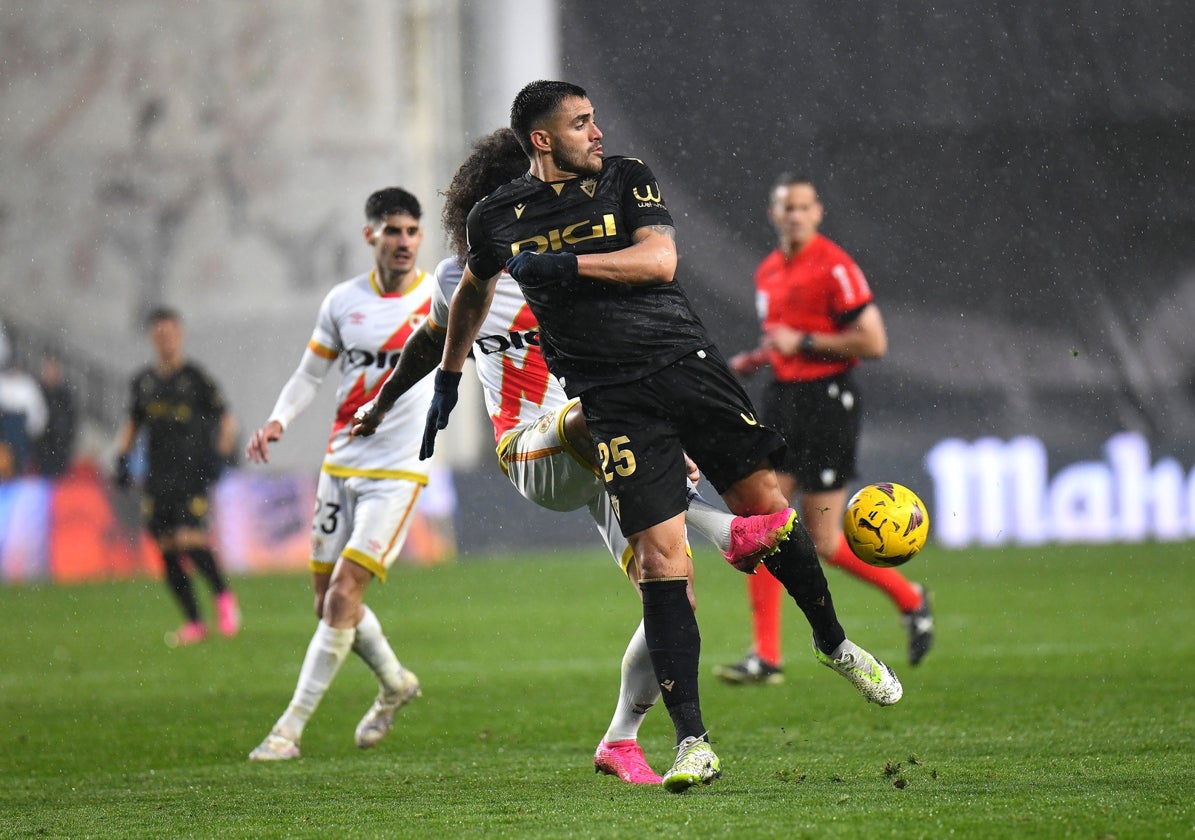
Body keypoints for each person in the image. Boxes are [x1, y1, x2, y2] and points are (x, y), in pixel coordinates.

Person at [421, 81, 903, 793]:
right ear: (542, 140)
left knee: (769, 509)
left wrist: (567, 265)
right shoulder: (498, 219)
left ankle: (833, 643)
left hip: (685, 364)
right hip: (609, 401)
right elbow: (471, 292)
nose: (597, 132)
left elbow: (659, 262)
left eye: (594, 119)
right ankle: (692, 742)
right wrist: (448, 376)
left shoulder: (626, 178)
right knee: (662, 562)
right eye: (581, 124)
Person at [351, 129, 794, 785]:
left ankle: (620, 739)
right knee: (596, 412)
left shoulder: (582, 264)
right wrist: (383, 404)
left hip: (604, 454)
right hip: (533, 450)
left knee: (673, 596)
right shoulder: (462, 278)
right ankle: (720, 525)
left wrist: (662, 437)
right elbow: (428, 342)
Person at [715, 175, 934, 686]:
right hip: (783, 399)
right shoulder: (769, 270)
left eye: (804, 206)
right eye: (786, 206)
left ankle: (910, 597)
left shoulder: (834, 265)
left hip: (828, 402)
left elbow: (873, 341)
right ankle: (766, 655)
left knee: (825, 541)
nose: (795, 214)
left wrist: (804, 341)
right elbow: (784, 340)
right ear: (773, 215)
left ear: (818, 213)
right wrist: (760, 356)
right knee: (765, 518)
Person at [244, 187, 435, 762]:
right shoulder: (342, 301)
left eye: (411, 231)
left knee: (345, 594)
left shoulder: (441, 299)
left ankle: (288, 730)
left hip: (398, 473)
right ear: (369, 235)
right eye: (392, 230)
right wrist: (278, 420)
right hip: (339, 467)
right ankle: (396, 681)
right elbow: (309, 375)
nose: (403, 241)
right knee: (328, 601)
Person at [113, 307, 239, 645]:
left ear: (179, 335)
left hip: (191, 472)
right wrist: (122, 459)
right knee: (167, 548)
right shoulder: (144, 382)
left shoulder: (195, 378)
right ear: (153, 338)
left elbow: (226, 418)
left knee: (190, 540)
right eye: (160, 334)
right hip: (158, 476)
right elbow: (132, 423)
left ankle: (223, 597)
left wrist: (224, 453)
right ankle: (195, 622)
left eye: (171, 333)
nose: (166, 340)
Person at [0, 324, 48, 481]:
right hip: (5, 430)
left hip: (20, 432)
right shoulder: (2, 383)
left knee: (19, 465)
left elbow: (38, 411)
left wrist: (32, 430)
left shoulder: (27, 385)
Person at [35, 353, 77, 477]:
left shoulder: (65, 395)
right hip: (43, 446)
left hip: (60, 446)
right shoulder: (38, 392)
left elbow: (72, 419)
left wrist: (67, 438)